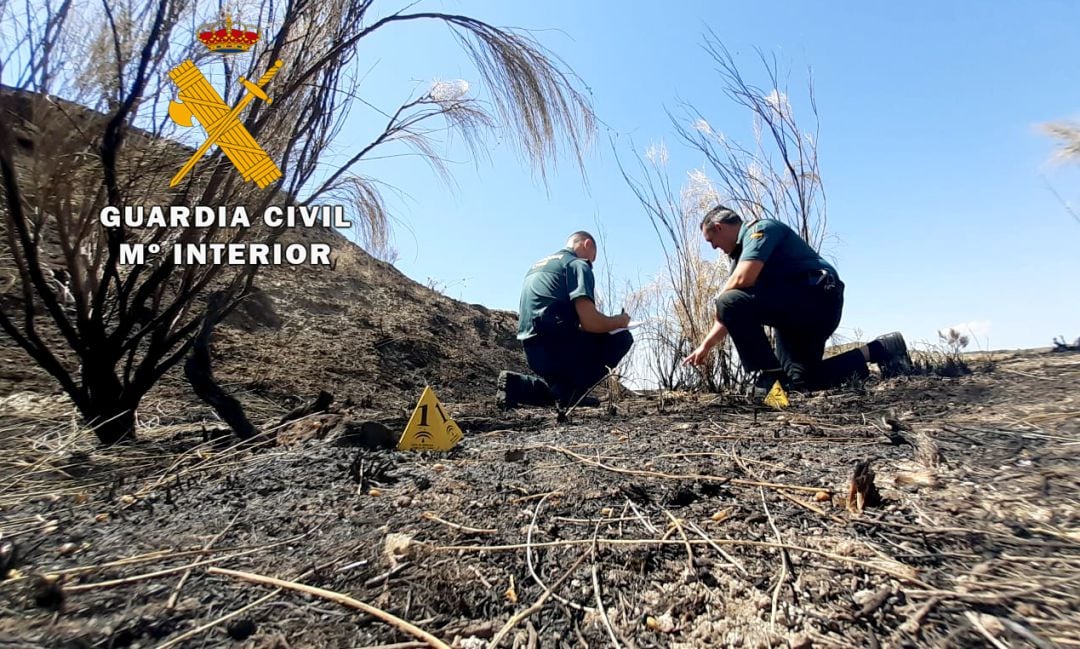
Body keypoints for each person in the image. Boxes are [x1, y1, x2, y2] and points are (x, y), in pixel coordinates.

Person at [683, 205, 911, 394]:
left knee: (728, 300)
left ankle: (769, 378)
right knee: (802, 383)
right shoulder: (739, 257)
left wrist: (721, 300)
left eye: (711, 240)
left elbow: (742, 282)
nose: (714, 248)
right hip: (791, 315)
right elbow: (730, 313)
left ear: (719, 227)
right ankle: (881, 349)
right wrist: (705, 347)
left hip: (816, 300)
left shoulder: (760, 230)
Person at [497, 231, 634, 409]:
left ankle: (518, 385)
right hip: (555, 348)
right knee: (621, 338)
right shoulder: (577, 264)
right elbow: (591, 322)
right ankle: (572, 393)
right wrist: (620, 321)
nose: (591, 264)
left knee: (560, 393)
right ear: (587, 244)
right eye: (593, 259)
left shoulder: (540, 265)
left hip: (532, 349)